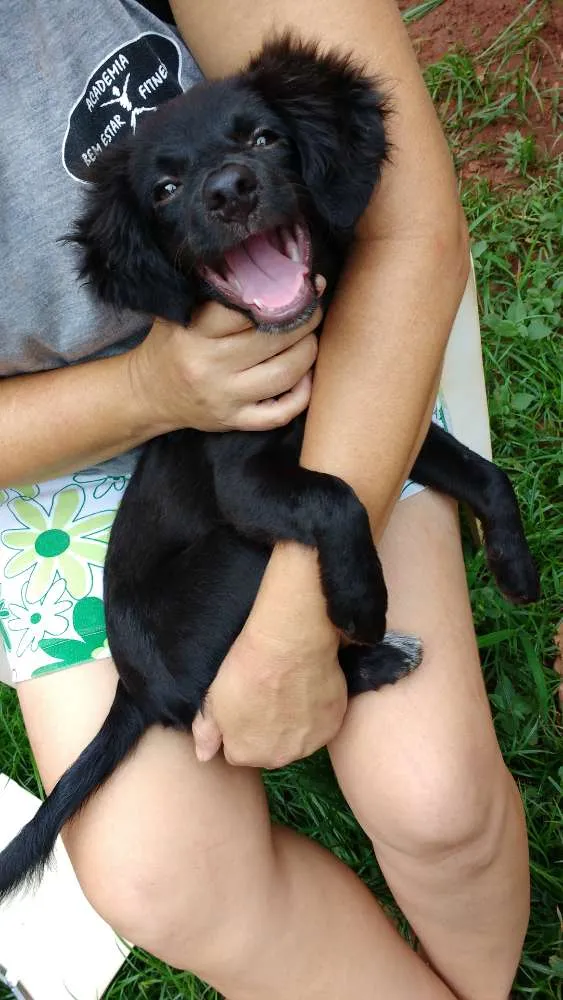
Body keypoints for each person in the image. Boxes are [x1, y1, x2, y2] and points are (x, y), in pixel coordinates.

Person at [0, 1, 529, 997]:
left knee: (435, 799)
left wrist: (293, 627)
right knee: (165, 879)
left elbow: (404, 231)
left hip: (318, 336)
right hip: (38, 446)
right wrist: (146, 391)